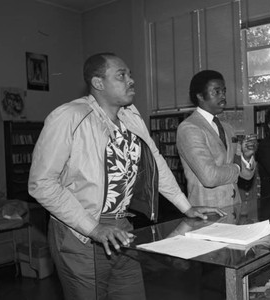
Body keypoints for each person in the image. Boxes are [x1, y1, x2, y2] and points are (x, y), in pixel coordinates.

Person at [28, 53, 225, 300]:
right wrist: (94, 228)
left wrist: (186, 207)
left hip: (122, 228)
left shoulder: (130, 116)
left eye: (130, 75)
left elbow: (156, 163)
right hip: (80, 233)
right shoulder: (69, 117)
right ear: (98, 83)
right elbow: (41, 184)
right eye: (121, 75)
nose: (131, 80)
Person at [176, 70, 257, 208]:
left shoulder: (228, 128)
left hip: (234, 209)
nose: (223, 96)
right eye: (216, 92)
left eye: (224, 91)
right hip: (208, 212)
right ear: (200, 96)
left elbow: (247, 175)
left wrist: (246, 158)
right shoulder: (189, 128)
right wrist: (238, 166)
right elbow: (209, 177)